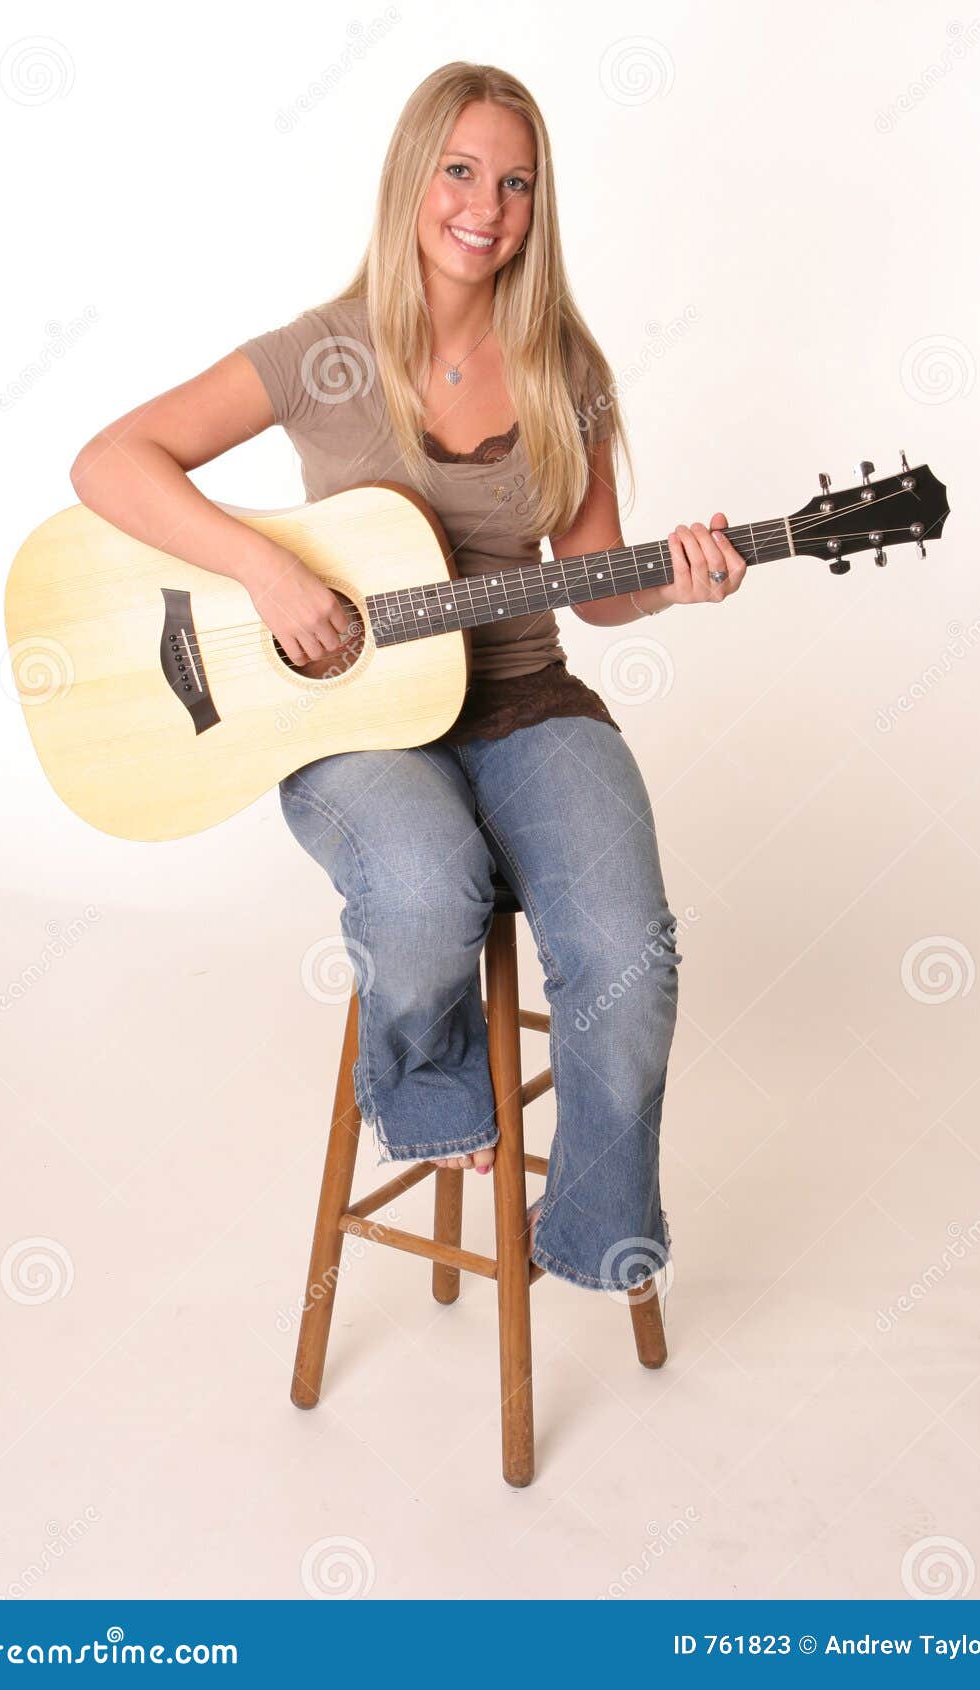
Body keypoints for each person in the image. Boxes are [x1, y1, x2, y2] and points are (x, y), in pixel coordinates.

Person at [70, 62, 748, 1293]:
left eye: (516, 183)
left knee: (626, 950)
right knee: (429, 885)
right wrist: (267, 575)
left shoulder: (566, 369)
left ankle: (594, 1236)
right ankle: (429, 1093)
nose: (485, 205)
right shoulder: (320, 353)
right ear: (411, 177)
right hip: (352, 720)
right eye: (460, 171)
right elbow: (112, 462)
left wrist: (674, 580)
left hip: (525, 704)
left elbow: (594, 583)